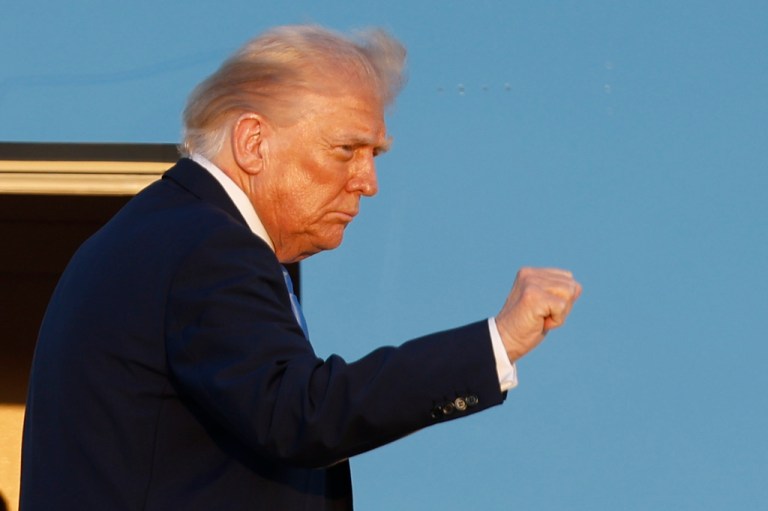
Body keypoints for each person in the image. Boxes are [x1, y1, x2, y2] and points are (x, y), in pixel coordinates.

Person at [20, 25, 581, 510]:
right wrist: (496, 343)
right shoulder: (207, 246)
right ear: (253, 142)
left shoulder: (159, 233)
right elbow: (299, 412)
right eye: (346, 150)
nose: (368, 181)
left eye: (374, 155)